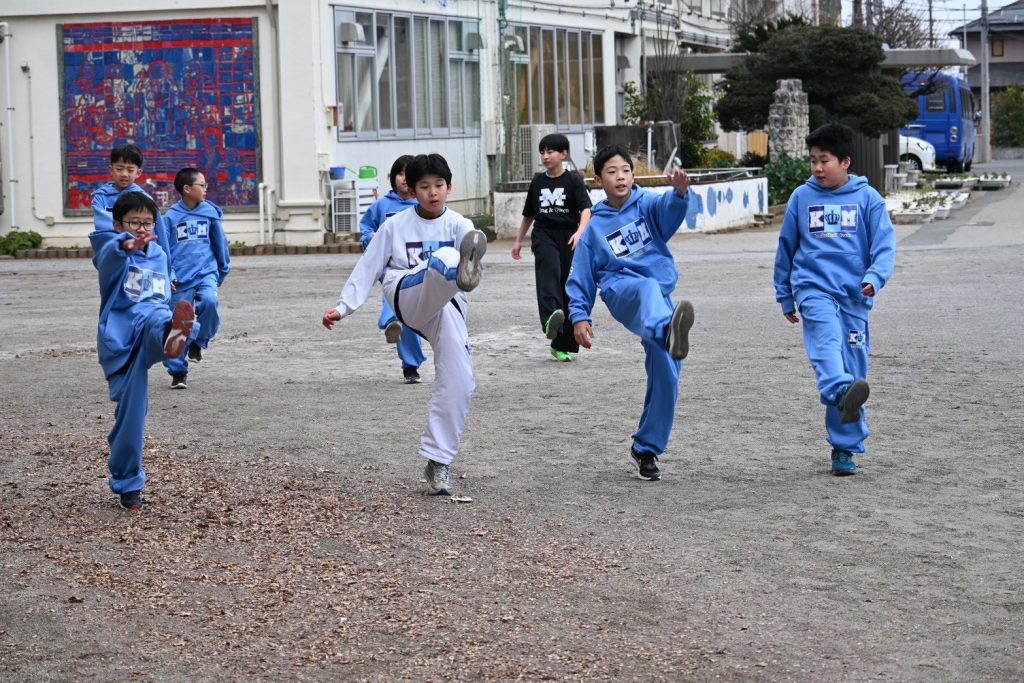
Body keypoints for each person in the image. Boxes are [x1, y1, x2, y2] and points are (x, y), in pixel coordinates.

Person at [322, 153, 488, 496]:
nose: (433, 192)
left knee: (461, 378)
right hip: (407, 294)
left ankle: (438, 461)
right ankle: (458, 270)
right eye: (424, 186)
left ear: (450, 187)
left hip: (447, 305)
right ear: (411, 190)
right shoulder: (395, 225)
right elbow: (369, 265)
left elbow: (470, 250)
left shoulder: (460, 225)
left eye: (439, 185)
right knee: (443, 259)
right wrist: (343, 306)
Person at [567, 145, 695, 483]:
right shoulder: (594, 227)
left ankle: (645, 448)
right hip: (621, 290)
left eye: (625, 170)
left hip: (660, 301)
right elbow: (581, 275)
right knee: (646, 287)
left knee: (668, 372)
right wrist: (580, 316)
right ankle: (666, 329)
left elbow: (669, 211)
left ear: (633, 176)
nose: (620, 177)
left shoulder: (647, 204)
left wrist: (680, 194)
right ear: (599, 181)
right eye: (612, 172)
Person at [773, 123, 895, 476]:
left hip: (854, 298)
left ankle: (844, 447)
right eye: (812, 160)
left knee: (853, 373)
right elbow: (786, 248)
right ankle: (838, 389)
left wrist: (874, 278)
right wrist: (785, 294)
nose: (817, 168)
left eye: (824, 160)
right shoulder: (802, 197)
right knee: (826, 346)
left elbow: (884, 247)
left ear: (845, 162)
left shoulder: (869, 199)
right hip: (814, 290)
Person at [89, 191, 199, 510]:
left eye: (147, 223)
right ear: (117, 224)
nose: (141, 228)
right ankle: (128, 483)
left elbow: (162, 297)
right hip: (123, 340)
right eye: (133, 222)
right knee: (132, 416)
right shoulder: (113, 254)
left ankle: (176, 337)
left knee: (165, 317)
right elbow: (107, 256)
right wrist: (123, 246)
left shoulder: (159, 255)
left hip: (153, 325)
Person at [513, 133, 593, 362]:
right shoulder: (538, 182)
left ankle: (560, 345)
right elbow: (529, 215)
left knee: (567, 286)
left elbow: (586, 210)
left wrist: (580, 232)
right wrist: (518, 241)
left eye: (550, 151)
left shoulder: (573, 181)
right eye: (542, 152)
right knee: (549, 272)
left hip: (569, 236)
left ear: (563, 154)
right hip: (544, 235)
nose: (545, 156)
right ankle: (550, 318)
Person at [359, 155, 427, 383]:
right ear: (393, 178)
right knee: (393, 293)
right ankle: (390, 321)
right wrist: (371, 238)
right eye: (400, 174)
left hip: (416, 266)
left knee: (411, 317)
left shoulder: (422, 205)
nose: (404, 179)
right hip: (389, 265)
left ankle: (411, 364)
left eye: (409, 174)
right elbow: (366, 227)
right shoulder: (382, 206)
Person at [161, 167, 231, 389]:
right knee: (177, 325)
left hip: (206, 273)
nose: (205, 189)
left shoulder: (210, 213)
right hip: (180, 279)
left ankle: (198, 341)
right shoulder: (170, 218)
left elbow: (220, 243)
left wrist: (222, 269)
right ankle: (178, 372)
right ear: (187, 189)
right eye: (202, 185)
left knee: (209, 302)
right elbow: (164, 250)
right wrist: (169, 274)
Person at [91, 143, 173, 258]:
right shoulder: (101, 197)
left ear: (138, 173)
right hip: (116, 254)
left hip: (142, 255)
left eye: (130, 170)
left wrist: (166, 262)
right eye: (119, 169)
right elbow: (102, 226)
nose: (124, 174)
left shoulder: (145, 199)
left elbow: (160, 232)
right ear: (111, 169)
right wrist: (125, 242)